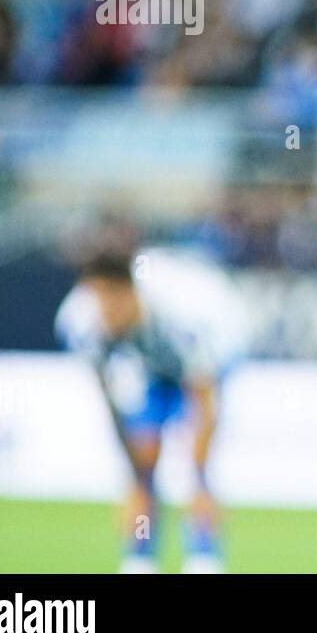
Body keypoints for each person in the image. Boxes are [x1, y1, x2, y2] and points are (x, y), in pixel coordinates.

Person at [55, 241, 247, 573]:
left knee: (196, 476)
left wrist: (200, 478)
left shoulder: (182, 314)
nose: (105, 314)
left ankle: (203, 558)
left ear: (130, 293)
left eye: (112, 303)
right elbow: (111, 401)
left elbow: (202, 398)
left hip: (213, 356)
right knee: (144, 471)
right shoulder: (80, 322)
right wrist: (136, 479)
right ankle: (141, 558)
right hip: (147, 366)